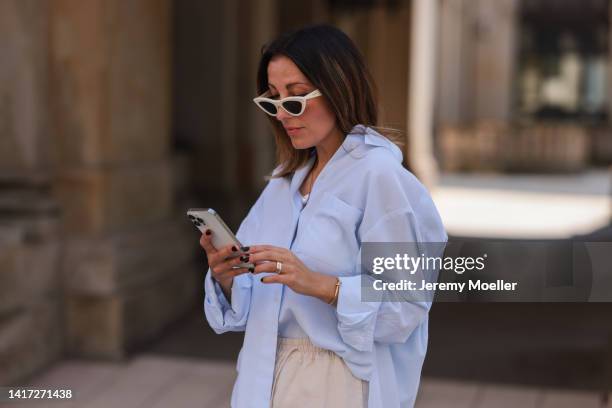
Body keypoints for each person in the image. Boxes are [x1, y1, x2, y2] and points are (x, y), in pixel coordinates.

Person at [201, 24, 447, 408]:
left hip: (337, 380)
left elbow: (407, 305)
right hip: (263, 374)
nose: (283, 113)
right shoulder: (283, 185)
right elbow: (248, 303)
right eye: (273, 100)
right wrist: (227, 275)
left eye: (296, 99)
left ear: (339, 87)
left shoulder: (379, 177)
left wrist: (320, 284)